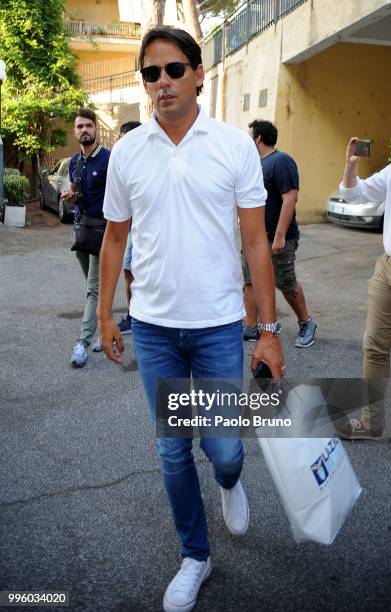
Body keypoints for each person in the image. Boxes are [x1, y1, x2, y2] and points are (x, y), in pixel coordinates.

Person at [97, 27, 284, 612]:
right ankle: (195, 556)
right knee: (173, 450)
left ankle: (230, 479)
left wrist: (271, 332)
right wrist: (106, 314)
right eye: (150, 74)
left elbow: (256, 245)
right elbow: (114, 239)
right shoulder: (127, 152)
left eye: (172, 70)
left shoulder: (232, 147)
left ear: (199, 74)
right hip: (153, 329)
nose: (161, 84)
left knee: (224, 448)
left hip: (219, 326)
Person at [337, 98, 391, 439]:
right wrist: (350, 166)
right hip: (388, 269)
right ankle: (371, 421)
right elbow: (355, 195)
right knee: (374, 347)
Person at [242, 119, 317, 348]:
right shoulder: (255, 163)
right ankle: (252, 326)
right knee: (250, 281)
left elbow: (290, 198)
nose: (248, 139)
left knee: (285, 282)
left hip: (278, 237)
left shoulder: (281, 161)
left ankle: (306, 322)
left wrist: (280, 236)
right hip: (255, 236)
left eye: (250, 135)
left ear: (258, 138)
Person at [61, 108, 110, 368]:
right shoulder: (74, 162)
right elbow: (75, 190)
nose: (84, 130)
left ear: (96, 128)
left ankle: (82, 344)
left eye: (88, 125)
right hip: (80, 230)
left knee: (92, 288)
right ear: (75, 131)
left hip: (101, 232)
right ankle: (104, 328)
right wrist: (71, 196)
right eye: (79, 126)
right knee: (96, 287)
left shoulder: (109, 159)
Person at [115, 121, 142, 335]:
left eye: (124, 136)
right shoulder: (122, 163)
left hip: (144, 233)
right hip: (130, 232)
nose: (121, 141)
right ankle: (133, 316)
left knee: (140, 272)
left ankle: (140, 316)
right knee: (128, 271)